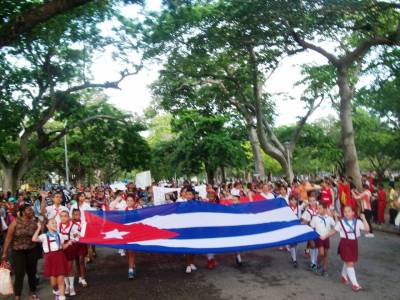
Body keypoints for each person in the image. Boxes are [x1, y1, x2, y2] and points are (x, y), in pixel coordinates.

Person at [320, 206, 369, 292]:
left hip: (354, 244)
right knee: (350, 262)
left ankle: (343, 275)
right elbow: (333, 231)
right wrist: (324, 236)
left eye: (349, 211)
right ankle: (355, 284)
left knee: (349, 261)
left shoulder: (357, 222)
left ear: (353, 213)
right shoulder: (341, 223)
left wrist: (364, 219)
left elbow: (367, 229)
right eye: (345, 212)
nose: (347, 213)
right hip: (345, 244)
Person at [1, 204, 39, 300]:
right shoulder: (15, 223)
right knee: (19, 273)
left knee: (32, 272)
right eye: (29, 210)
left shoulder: (34, 222)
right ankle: (17, 295)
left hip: (32, 250)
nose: (31, 212)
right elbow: (8, 238)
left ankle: (32, 292)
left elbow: (39, 236)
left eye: (31, 210)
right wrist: (4, 253)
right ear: (22, 212)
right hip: (18, 251)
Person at [32, 218, 72, 300]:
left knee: (61, 280)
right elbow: (34, 239)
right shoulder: (44, 236)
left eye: (56, 223)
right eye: (52, 223)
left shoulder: (60, 235)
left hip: (60, 257)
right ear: (47, 225)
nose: (55, 224)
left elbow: (62, 247)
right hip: (50, 259)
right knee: (54, 283)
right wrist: (39, 228)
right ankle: (56, 292)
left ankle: (62, 297)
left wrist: (68, 243)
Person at [310, 203, 336, 276]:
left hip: (326, 237)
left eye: (320, 208)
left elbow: (335, 226)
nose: (318, 210)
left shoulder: (329, 218)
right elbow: (311, 228)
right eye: (318, 208)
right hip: (319, 237)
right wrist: (311, 239)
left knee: (326, 254)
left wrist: (335, 216)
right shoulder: (315, 218)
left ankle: (324, 269)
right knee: (321, 253)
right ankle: (317, 264)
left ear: (325, 209)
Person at [59, 211, 80, 296]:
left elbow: (78, 236)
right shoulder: (58, 225)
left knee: (69, 268)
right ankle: (67, 286)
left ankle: (71, 287)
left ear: (68, 217)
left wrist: (72, 241)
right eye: (62, 216)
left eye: (65, 216)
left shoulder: (73, 226)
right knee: (63, 268)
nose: (63, 218)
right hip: (61, 247)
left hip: (70, 248)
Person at [125, 194, 141, 279]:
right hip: (125, 234)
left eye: (131, 200)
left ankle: (130, 269)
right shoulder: (123, 210)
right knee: (129, 252)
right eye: (128, 200)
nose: (129, 202)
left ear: (134, 202)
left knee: (131, 252)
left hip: (134, 234)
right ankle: (132, 264)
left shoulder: (136, 211)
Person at [71, 209, 88, 287]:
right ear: (72, 215)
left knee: (81, 260)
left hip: (82, 244)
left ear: (80, 215)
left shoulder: (83, 223)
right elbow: (70, 233)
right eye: (75, 214)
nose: (76, 216)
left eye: (78, 214)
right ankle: (80, 276)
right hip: (74, 244)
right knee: (77, 261)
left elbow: (85, 232)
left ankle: (83, 278)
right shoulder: (70, 223)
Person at [301, 192, 318, 269]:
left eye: (313, 200)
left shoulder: (319, 209)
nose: (312, 202)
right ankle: (312, 262)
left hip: (319, 231)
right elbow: (304, 221)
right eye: (310, 201)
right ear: (309, 202)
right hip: (310, 230)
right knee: (313, 245)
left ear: (316, 201)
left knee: (317, 246)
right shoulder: (307, 211)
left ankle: (315, 261)